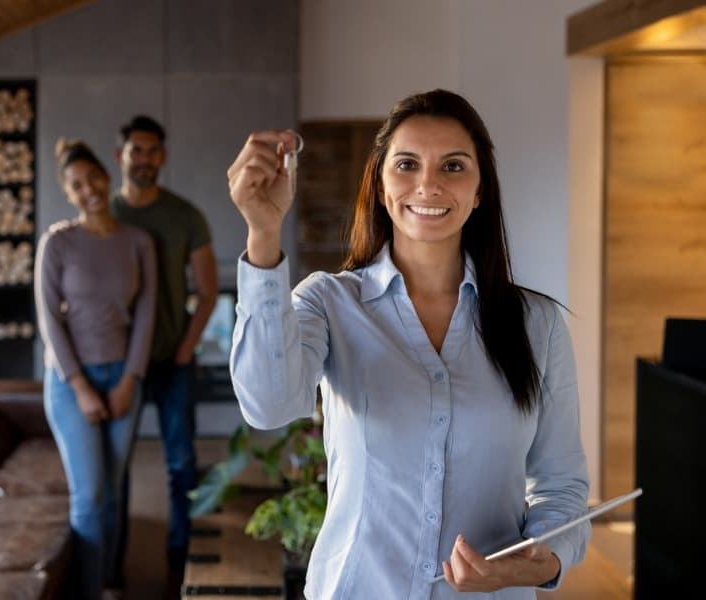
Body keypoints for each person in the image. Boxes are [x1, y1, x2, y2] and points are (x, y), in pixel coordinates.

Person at [226, 90, 590, 599]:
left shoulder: (538, 324)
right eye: (407, 164)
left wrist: (532, 564)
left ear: (481, 189)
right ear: (379, 185)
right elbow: (267, 406)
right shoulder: (330, 302)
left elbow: (563, 485)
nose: (428, 184)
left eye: (454, 166)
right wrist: (263, 234)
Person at [36, 138, 156, 600]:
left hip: (123, 377)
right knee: (89, 497)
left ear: (108, 177)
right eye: (76, 185)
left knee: (114, 490)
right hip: (71, 384)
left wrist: (130, 379)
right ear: (68, 193)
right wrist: (81, 386)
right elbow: (49, 319)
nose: (88, 190)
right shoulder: (57, 243)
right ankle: (87, 591)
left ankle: (110, 581)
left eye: (93, 179)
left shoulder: (137, 242)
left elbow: (145, 314)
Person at [109, 115, 219, 578]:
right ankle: (112, 566)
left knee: (180, 464)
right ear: (121, 156)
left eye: (152, 150)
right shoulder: (105, 215)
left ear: (163, 157)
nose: (144, 159)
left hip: (173, 360)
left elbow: (209, 289)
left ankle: (180, 565)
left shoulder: (185, 215)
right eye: (136, 150)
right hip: (119, 366)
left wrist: (185, 349)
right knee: (116, 469)